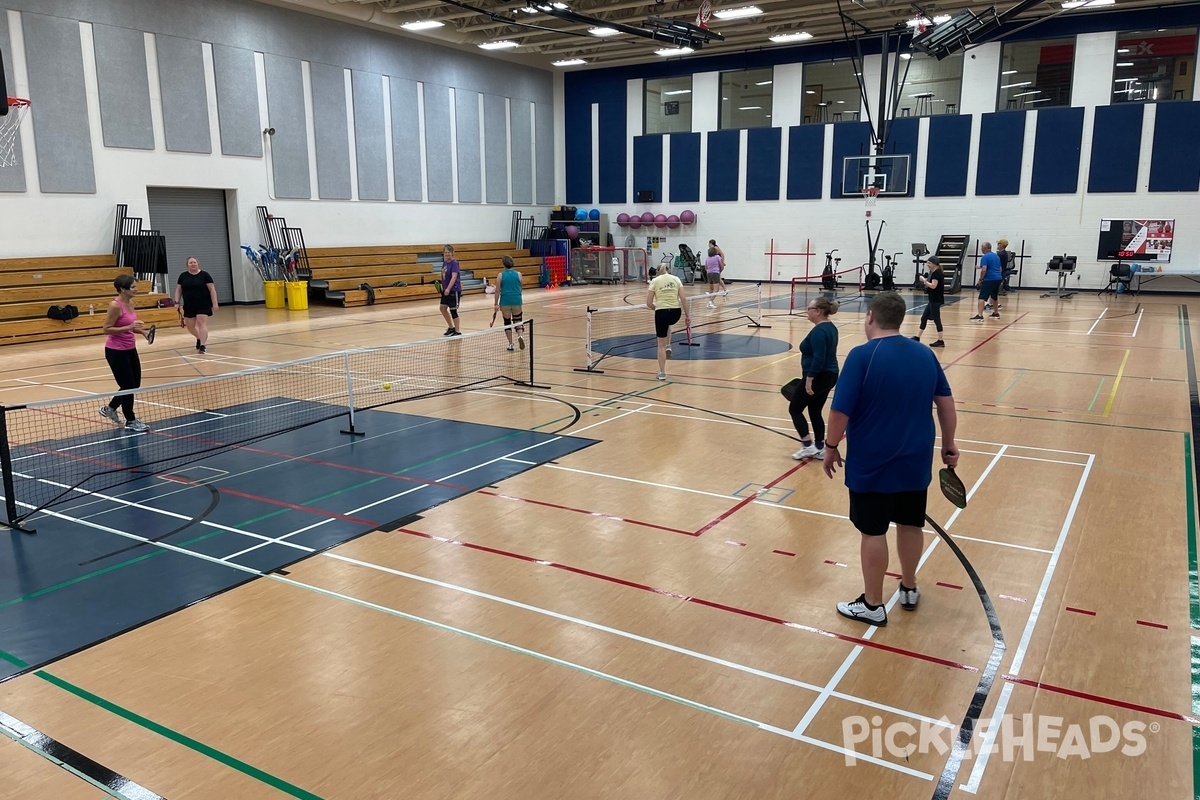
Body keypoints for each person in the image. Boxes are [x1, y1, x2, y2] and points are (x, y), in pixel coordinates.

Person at [822, 292, 958, 626]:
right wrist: (950, 445)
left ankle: (872, 604)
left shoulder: (861, 356)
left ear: (870, 317)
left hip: (872, 462)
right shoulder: (925, 355)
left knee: (872, 531)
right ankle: (909, 587)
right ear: (899, 319)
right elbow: (946, 403)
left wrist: (829, 445)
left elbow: (840, 411)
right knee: (911, 523)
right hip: (915, 459)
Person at [99, 274, 155, 433]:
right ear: (123, 289)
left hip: (130, 348)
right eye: (133, 287)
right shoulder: (115, 306)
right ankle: (131, 420)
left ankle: (110, 409)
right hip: (116, 351)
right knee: (128, 386)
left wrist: (142, 332)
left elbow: (129, 325)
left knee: (133, 384)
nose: (136, 290)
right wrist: (129, 327)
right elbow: (106, 329)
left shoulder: (131, 302)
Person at [790, 296, 840, 460]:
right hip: (830, 375)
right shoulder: (831, 327)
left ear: (818, 312)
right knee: (814, 409)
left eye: (809, 308)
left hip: (819, 375)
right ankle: (819, 448)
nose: (807, 311)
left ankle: (807, 445)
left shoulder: (819, 331)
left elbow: (819, 358)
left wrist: (809, 379)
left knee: (795, 408)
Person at [646, 262, 690, 380]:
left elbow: (649, 303)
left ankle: (662, 373)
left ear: (658, 271)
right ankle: (669, 345)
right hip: (676, 313)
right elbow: (684, 299)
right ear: (668, 270)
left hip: (662, 313)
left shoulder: (654, 281)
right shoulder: (676, 279)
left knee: (660, 344)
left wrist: (658, 309)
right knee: (668, 324)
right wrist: (687, 316)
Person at [174, 256, 218, 354]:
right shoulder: (183, 276)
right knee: (190, 327)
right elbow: (178, 290)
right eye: (191, 263)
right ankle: (199, 337)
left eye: (194, 262)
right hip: (189, 305)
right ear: (187, 265)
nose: (193, 264)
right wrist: (176, 302)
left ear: (198, 263)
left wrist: (215, 303)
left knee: (202, 323)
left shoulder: (205, 275)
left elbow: (212, 289)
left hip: (203, 304)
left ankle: (202, 345)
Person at [911, 255, 946, 348]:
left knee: (936, 319)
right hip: (932, 299)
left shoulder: (937, 273)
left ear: (935, 264)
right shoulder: (933, 272)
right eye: (927, 263)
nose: (928, 265)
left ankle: (940, 340)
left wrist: (924, 281)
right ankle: (917, 337)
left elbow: (933, 286)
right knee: (924, 317)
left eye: (929, 263)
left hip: (936, 300)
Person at [495, 255, 524, 351]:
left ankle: (511, 344)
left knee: (507, 322)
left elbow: (497, 291)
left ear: (503, 264)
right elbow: (521, 287)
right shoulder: (519, 274)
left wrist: (496, 304)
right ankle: (520, 336)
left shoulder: (500, 275)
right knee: (518, 320)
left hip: (505, 301)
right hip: (516, 300)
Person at [970, 242, 1003, 322]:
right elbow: (1000, 269)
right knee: (994, 296)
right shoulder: (996, 256)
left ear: (985, 248)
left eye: (981, 247)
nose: (981, 249)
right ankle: (996, 313)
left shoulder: (985, 257)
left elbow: (984, 269)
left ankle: (980, 315)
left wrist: (980, 279)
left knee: (982, 297)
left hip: (989, 279)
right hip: (998, 278)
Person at [439, 244, 462, 336]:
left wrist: (448, 288)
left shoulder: (454, 263)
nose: (447, 254)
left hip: (453, 290)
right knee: (442, 308)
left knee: (453, 310)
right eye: (445, 252)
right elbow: (444, 276)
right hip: (445, 290)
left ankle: (458, 331)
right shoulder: (444, 263)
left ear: (452, 253)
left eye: (448, 252)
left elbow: (454, 277)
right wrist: (443, 287)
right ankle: (451, 328)